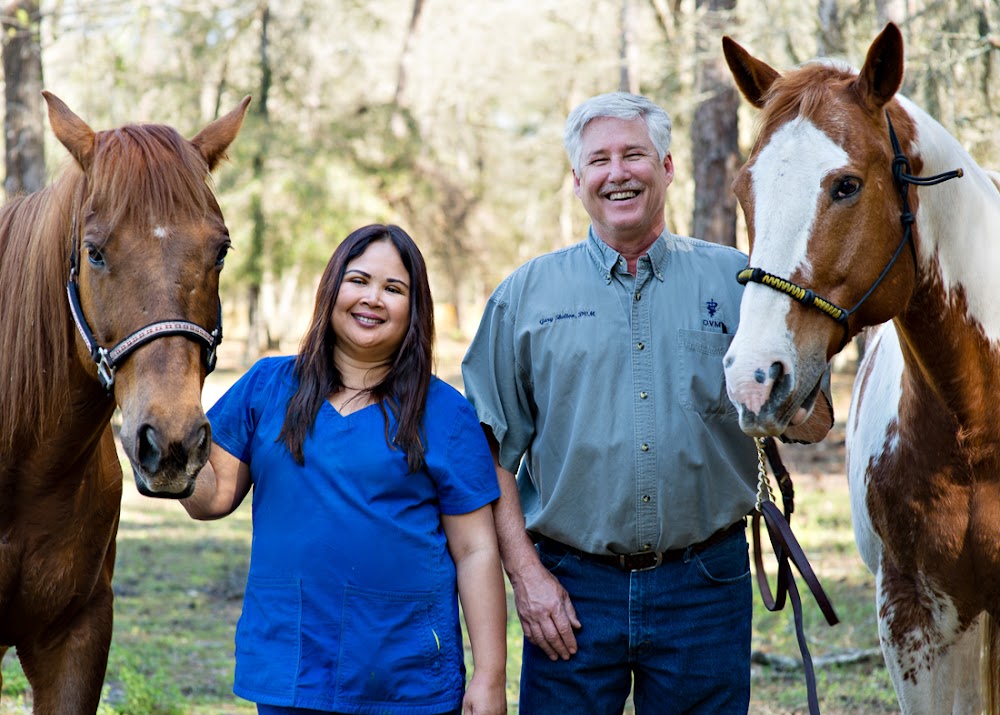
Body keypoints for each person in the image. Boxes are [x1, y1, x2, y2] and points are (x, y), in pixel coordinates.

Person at [461, 92, 833, 714]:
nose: (617, 173)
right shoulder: (524, 296)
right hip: (570, 591)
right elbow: (490, 456)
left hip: (706, 588)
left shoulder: (740, 282)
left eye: (634, 154)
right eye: (599, 161)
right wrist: (528, 580)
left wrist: (784, 402)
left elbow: (813, 419)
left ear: (665, 166)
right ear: (577, 182)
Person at [182, 224, 508, 715]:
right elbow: (210, 498)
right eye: (358, 280)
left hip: (407, 677)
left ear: (414, 310)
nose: (372, 298)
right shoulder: (267, 387)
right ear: (332, 287)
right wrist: (175, 452)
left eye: (394, 289)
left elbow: (476, 549)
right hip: (292, 664)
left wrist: (490, 677)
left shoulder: (444, 412)